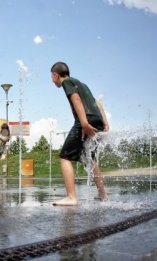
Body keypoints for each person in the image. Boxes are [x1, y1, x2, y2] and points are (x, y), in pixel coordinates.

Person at [50, 61, 109, 206]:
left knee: (65, 157)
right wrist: (105, 123)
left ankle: (71, 197)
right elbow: (98, 103)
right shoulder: (82, 84)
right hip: (97, 120)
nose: (52, 80)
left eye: (52, 77)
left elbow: (76, 99)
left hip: (86, 121)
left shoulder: (67, 82)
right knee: (90, 159)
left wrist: (83, 123)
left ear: (56, 75)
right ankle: (103, 195)